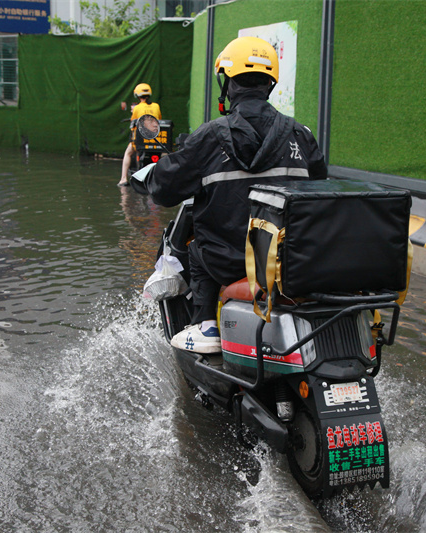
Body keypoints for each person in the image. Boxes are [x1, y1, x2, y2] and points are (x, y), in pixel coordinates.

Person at [132, 36, 327, 353]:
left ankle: (206, 325)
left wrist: (151, 175)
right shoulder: (301, 136)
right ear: (270, 84)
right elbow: (320, 186)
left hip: (231, 263)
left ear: (229, 85)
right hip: (289, 261)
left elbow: (166, 189)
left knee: (195, 250)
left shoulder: (211, 135)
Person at [118, 83, 161, 186]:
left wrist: (134, 109)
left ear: (137, 95)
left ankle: (123, 179)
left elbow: (133, 122)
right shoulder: (156, 106)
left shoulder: (137, 108)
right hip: (155, 140)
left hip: (140, 139)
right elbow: (158, 119)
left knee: (128, 153)